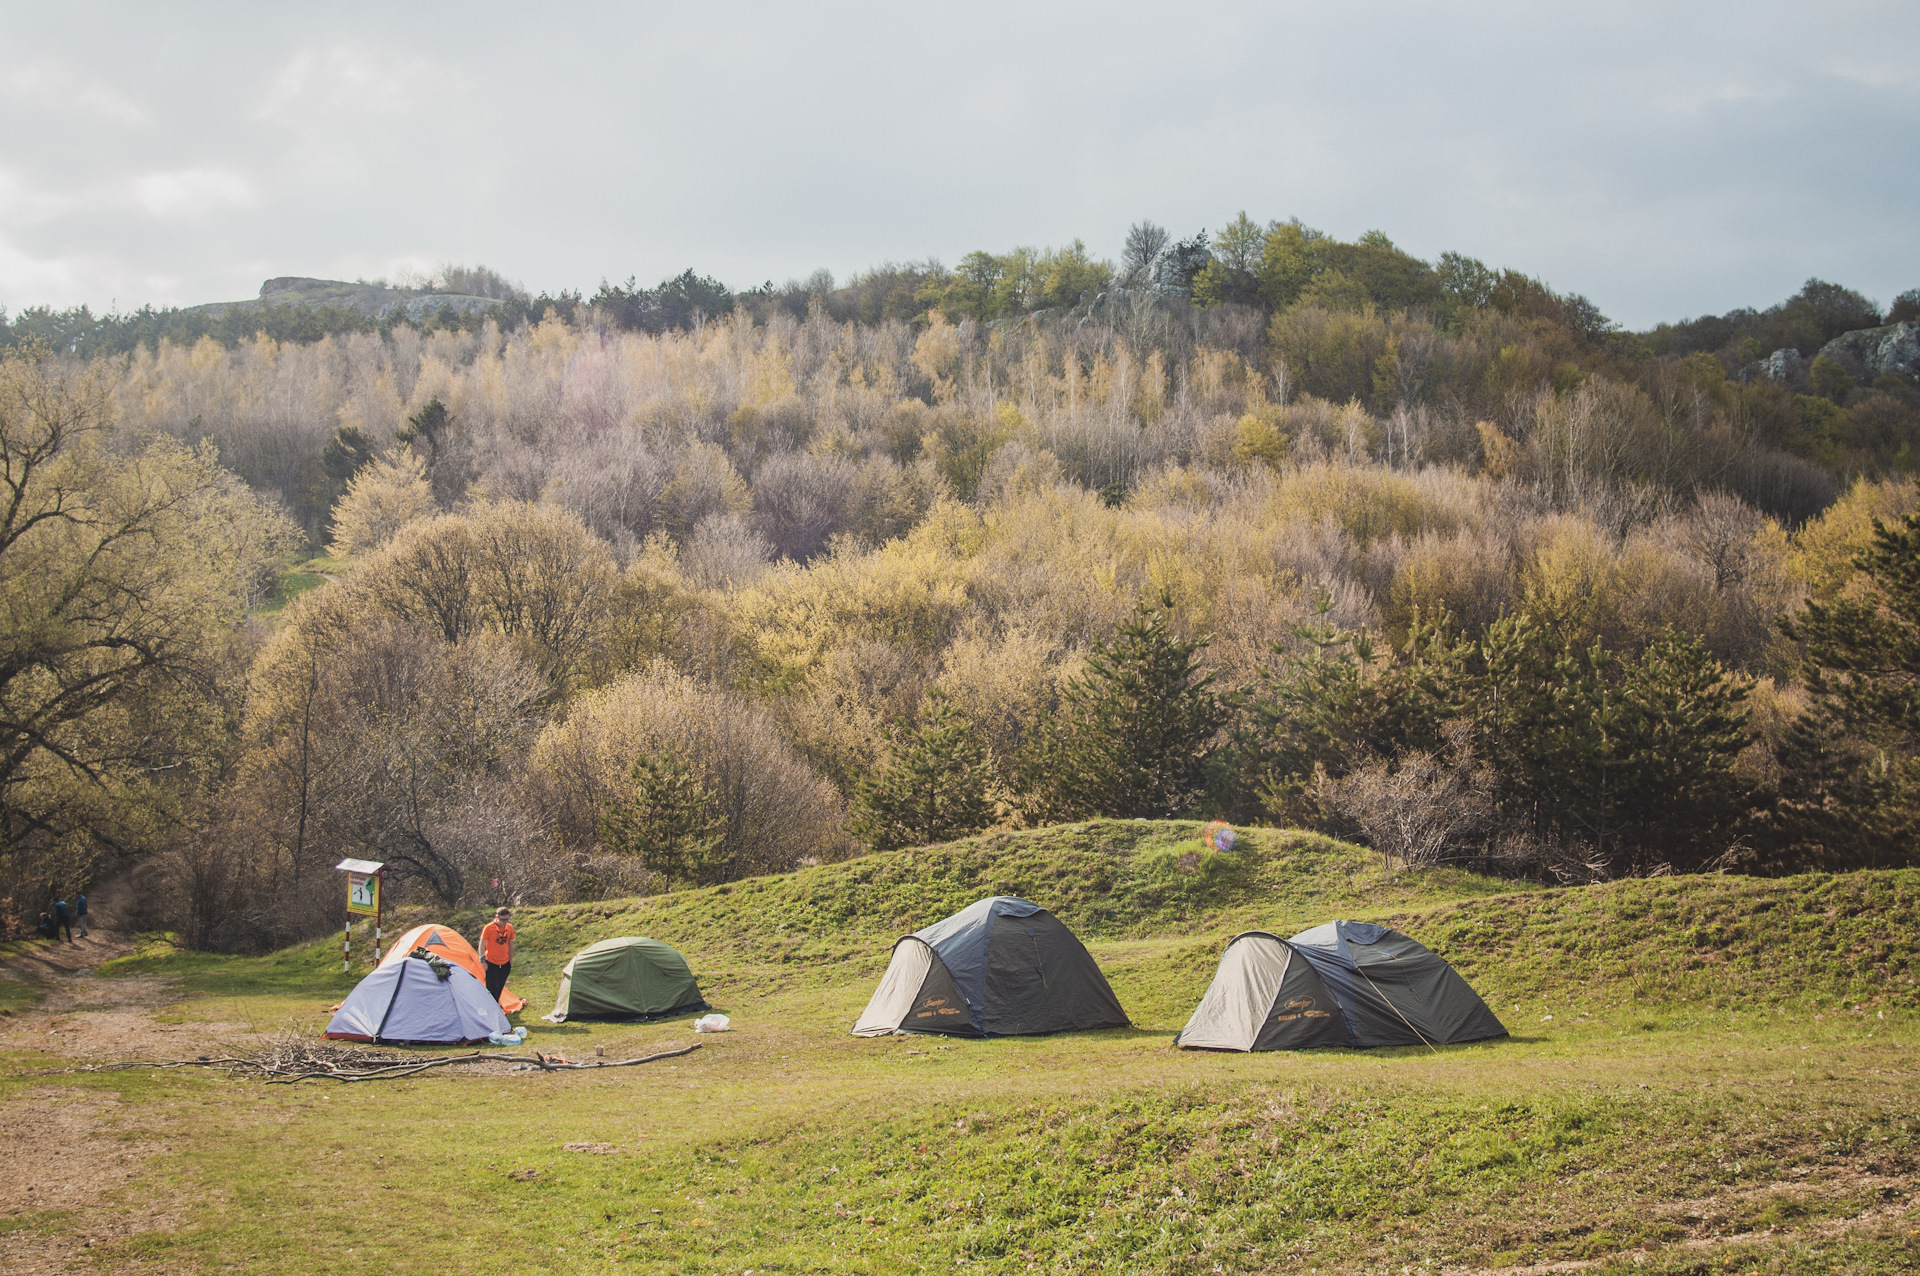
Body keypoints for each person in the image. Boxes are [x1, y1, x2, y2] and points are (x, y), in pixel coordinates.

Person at [479, 907, 514, 1002]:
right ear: (497, 917)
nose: (504, 922)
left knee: (500, 985)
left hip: (505, 962)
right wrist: (482, 961)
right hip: (491, 961)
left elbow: (510, 945)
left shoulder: (509, 928)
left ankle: (496, 1004)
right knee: (491, 986)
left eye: (507, 919)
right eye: (502, 919)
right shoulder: (488, 928)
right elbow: (481, 945)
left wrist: (510, 960)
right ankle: (490, 1005)